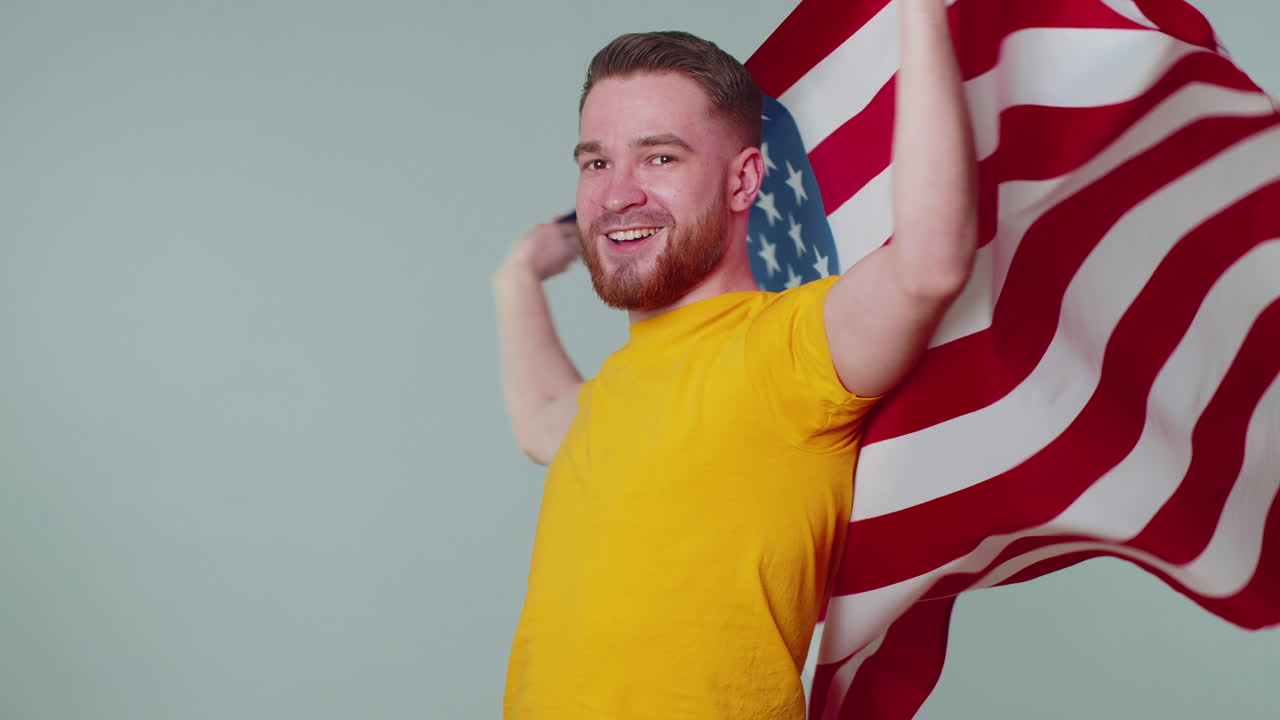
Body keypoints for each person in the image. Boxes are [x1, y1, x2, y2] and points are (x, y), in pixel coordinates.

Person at [493, 1, 976, 716]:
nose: (617, 192)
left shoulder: (786, 349)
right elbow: (539, 419)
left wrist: (921, 12)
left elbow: (927, 268)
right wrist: (517, 276)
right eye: (597, 161)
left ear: (745, 182)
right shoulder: (613, 392)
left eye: (659, 156)